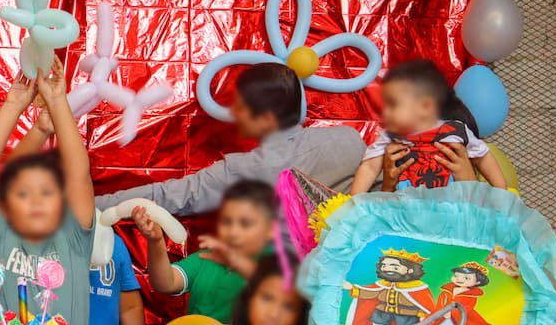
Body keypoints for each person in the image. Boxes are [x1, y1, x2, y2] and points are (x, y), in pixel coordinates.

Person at [95, 63, 364, 214]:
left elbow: (167, 196)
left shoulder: (244, 169)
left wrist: (90, 207)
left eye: (241, 107)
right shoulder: (349, 140)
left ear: (267, 118)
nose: (233, 113)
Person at [0, 60, 95, 325]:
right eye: (23, 193)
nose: (36, 199)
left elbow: (78, 172)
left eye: (47, 192)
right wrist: (14, 104)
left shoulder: (74, 238)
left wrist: (57, 101)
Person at [350, 60, 507, 194]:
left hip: (452, 204)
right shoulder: (391, 136)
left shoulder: (456, 130)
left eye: (395, 105)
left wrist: (501, 190)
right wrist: (354, 200)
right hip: (406, 206)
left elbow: (482, 156)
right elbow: (370, 166)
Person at [135, 181, 276, 324]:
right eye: (227, 222)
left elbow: (277, 291)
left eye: (245, 223)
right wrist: (156, 241)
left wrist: (238, 263)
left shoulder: (276, 264)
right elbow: (165, 283)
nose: (233, 232)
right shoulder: (207, 258)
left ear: (271, 229)